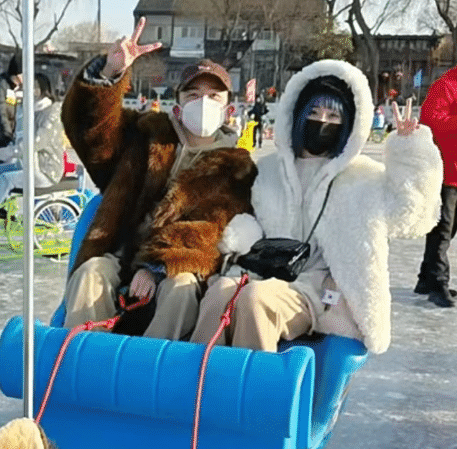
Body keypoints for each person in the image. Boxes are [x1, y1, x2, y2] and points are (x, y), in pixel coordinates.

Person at [188, 58, 443, 355]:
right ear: (297, 115)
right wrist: (243, 235)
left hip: (318, 290)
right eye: (314, 111)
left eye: (333, 115)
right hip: (262, 271)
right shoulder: (269, 169)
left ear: (348, 124)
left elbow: (412, 217)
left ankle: (258, 394)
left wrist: (410, 154)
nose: (322, 121)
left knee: (255, 300)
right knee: (219, 292)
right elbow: (253, 218)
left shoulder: (363, 177)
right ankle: (198, 384)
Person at [60, 17, 257, 340]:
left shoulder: (237, 168)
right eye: (193, 94)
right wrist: (110, 73)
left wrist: (154, 266)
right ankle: (82, 364)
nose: (203, 103)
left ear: (228, 110)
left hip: (179, 268)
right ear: (178, 106)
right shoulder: (143, 137)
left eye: (213, 96)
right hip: (121, 256)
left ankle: (152, 376)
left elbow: (210, 230)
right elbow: (90, 133)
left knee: (179, 289)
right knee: (92, 273)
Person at [0, 73, 66, 223]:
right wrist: (2, 151)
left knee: (6, 179)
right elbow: (20, 136)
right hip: (28, 165)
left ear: (43, 89)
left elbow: (37, 141)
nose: (31, 91)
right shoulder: (29, 110)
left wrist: (12, 151)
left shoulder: (52, 112)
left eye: (34, 87)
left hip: (46, 170)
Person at [413, 65, 457, 308]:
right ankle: (438, 283)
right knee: (442, 230)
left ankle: (425, 278)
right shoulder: (446, 85)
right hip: (444, 171)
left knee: (448, 231)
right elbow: (431, 121)